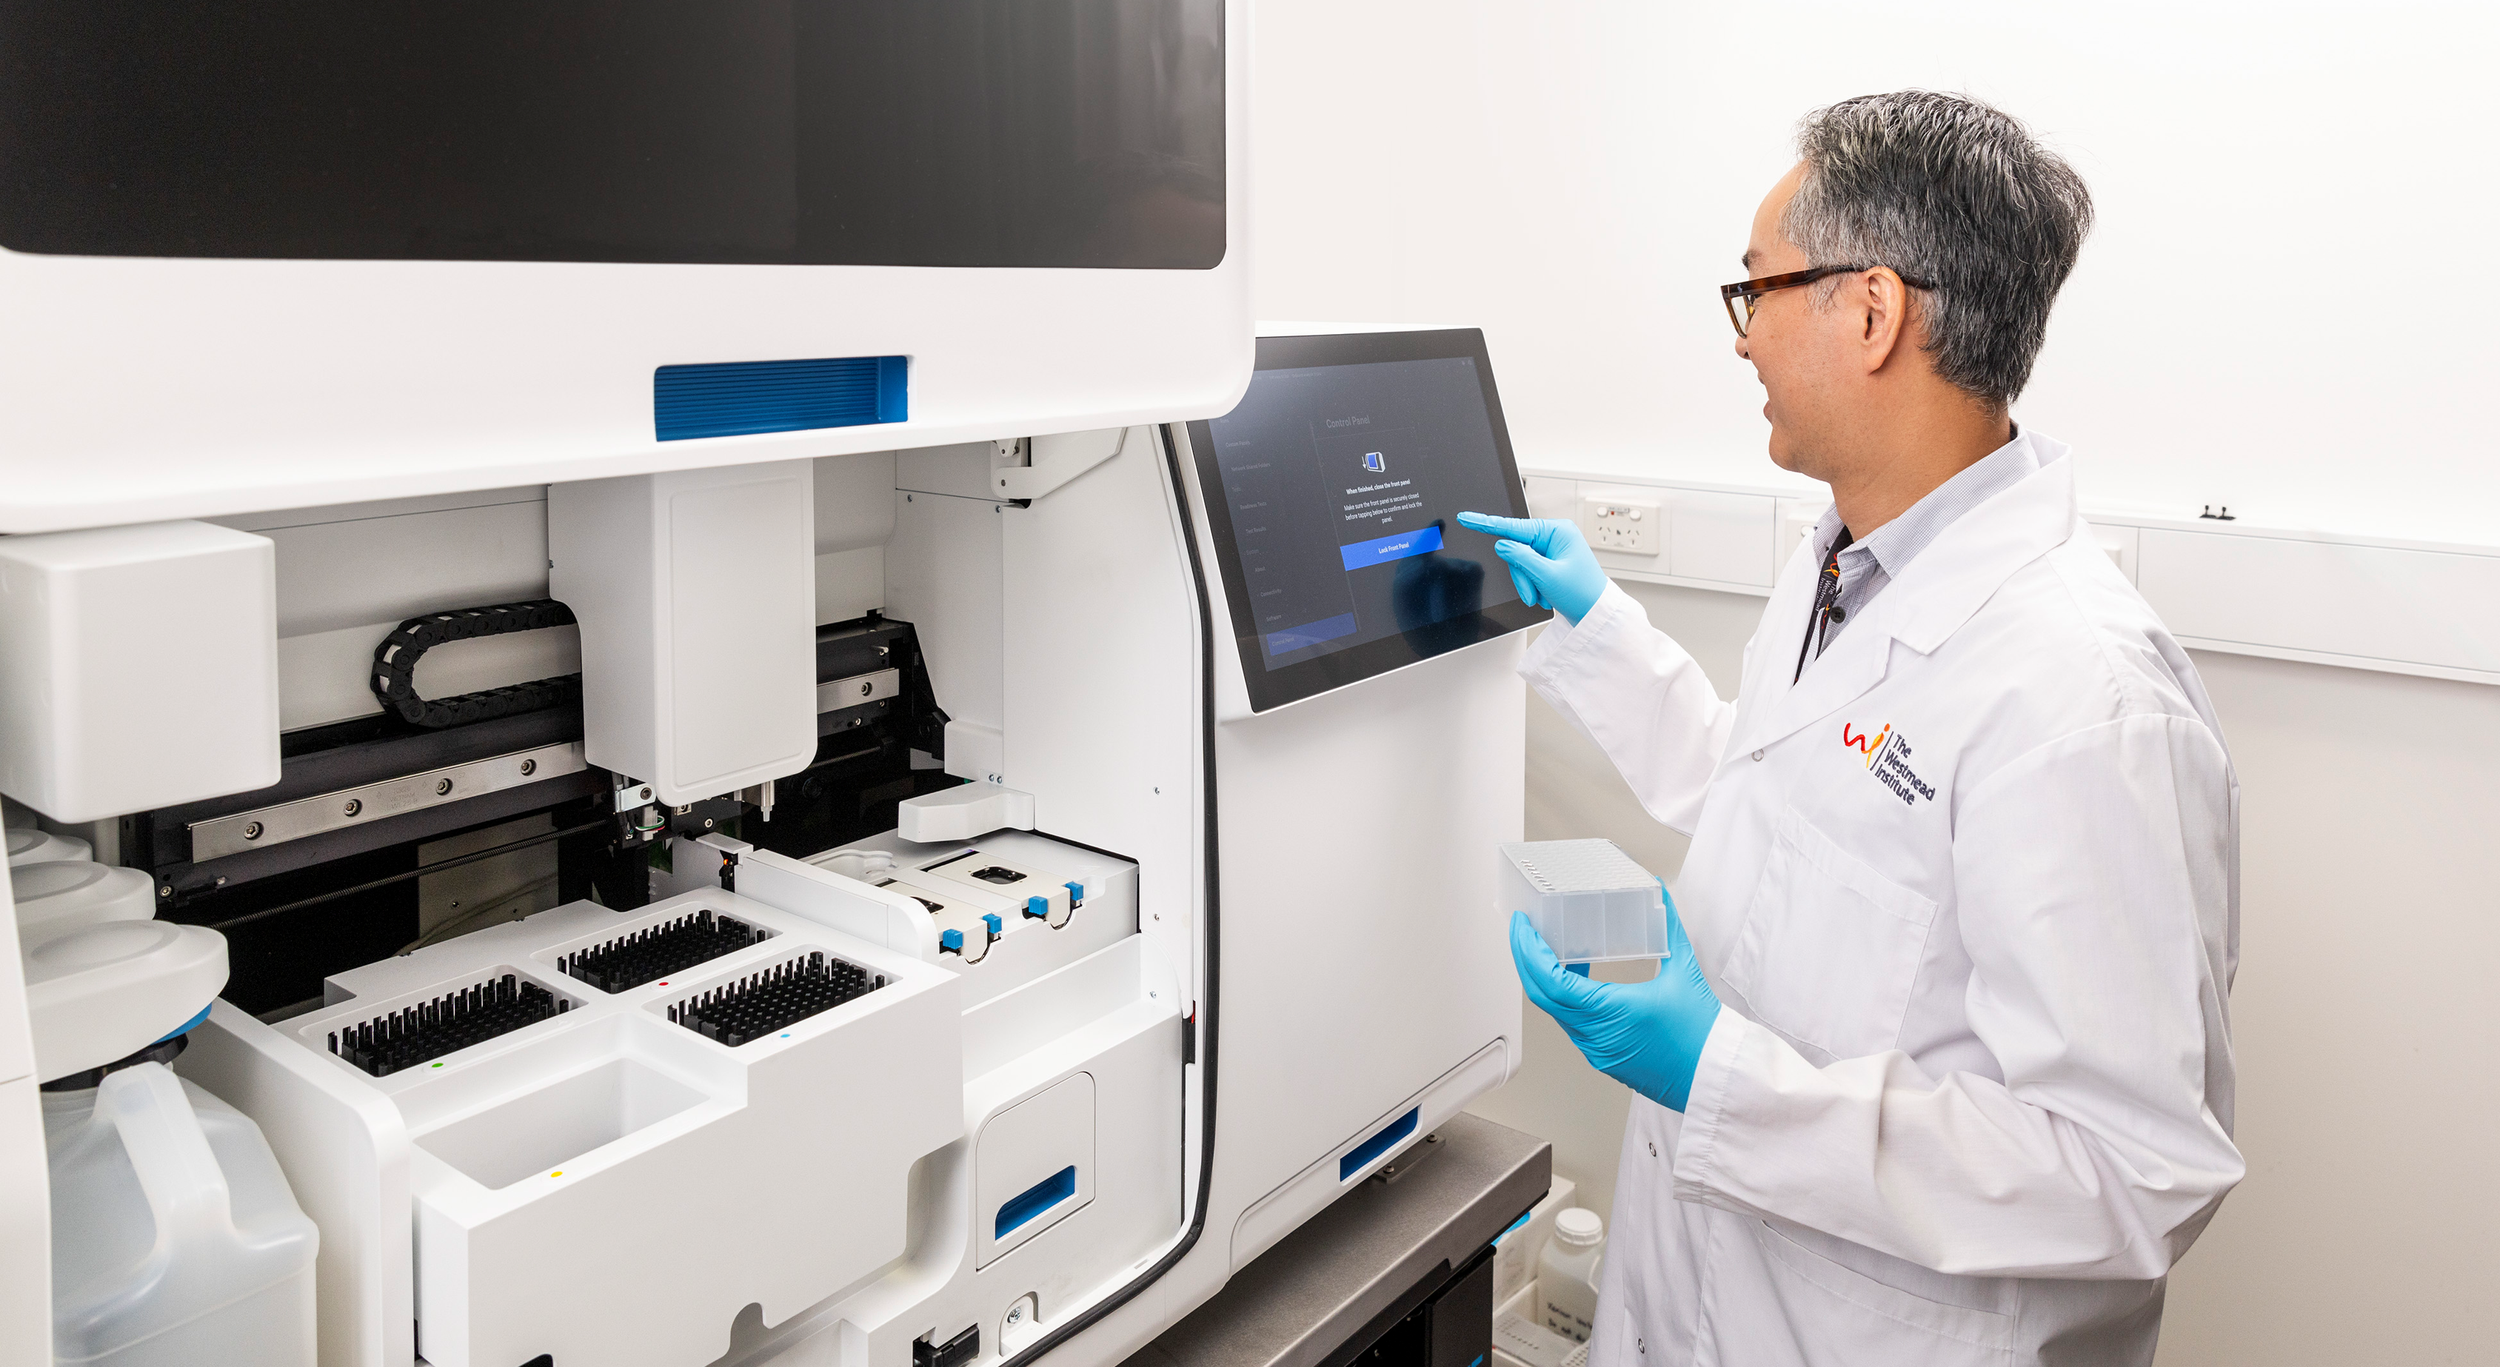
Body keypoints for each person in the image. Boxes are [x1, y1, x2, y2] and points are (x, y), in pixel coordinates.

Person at [1458, 91, 2241, 1366]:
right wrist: (1596, 630)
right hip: (1697, 1302)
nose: (1742, 340)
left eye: (1755, 290)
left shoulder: (2086, 701)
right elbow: (1788, 803)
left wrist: (1721, 1078)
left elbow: (2127, 1169)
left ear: (1871, 312)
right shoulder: (1850, 557)